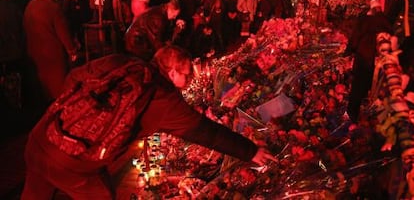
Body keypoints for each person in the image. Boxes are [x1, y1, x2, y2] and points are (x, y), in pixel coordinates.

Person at [21, 45, 276, 199]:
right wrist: (250, 151)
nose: (189, 82)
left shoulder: (123, 61)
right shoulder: (163, 98)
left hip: (42, 136)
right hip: (73, 163)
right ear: (173, 72)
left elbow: (74, 77)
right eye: (187, 76)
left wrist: (76, 118)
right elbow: (206, 133)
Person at [23, 0, 78, 105]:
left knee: (42, 85)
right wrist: (72, 50)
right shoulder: (53, 8)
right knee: (57, 87)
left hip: (34, 52)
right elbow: (63, 33)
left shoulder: (29, 6)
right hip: (53, 54)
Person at [345, 0, 393, 122]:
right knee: (372, 88)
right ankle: (367, 115)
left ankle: (353, 114)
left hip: (363, 58)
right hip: (377, 60)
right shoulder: (383, 21)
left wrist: (348, 52)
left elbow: (355, 38)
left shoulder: (365, 20)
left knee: (357, 87)